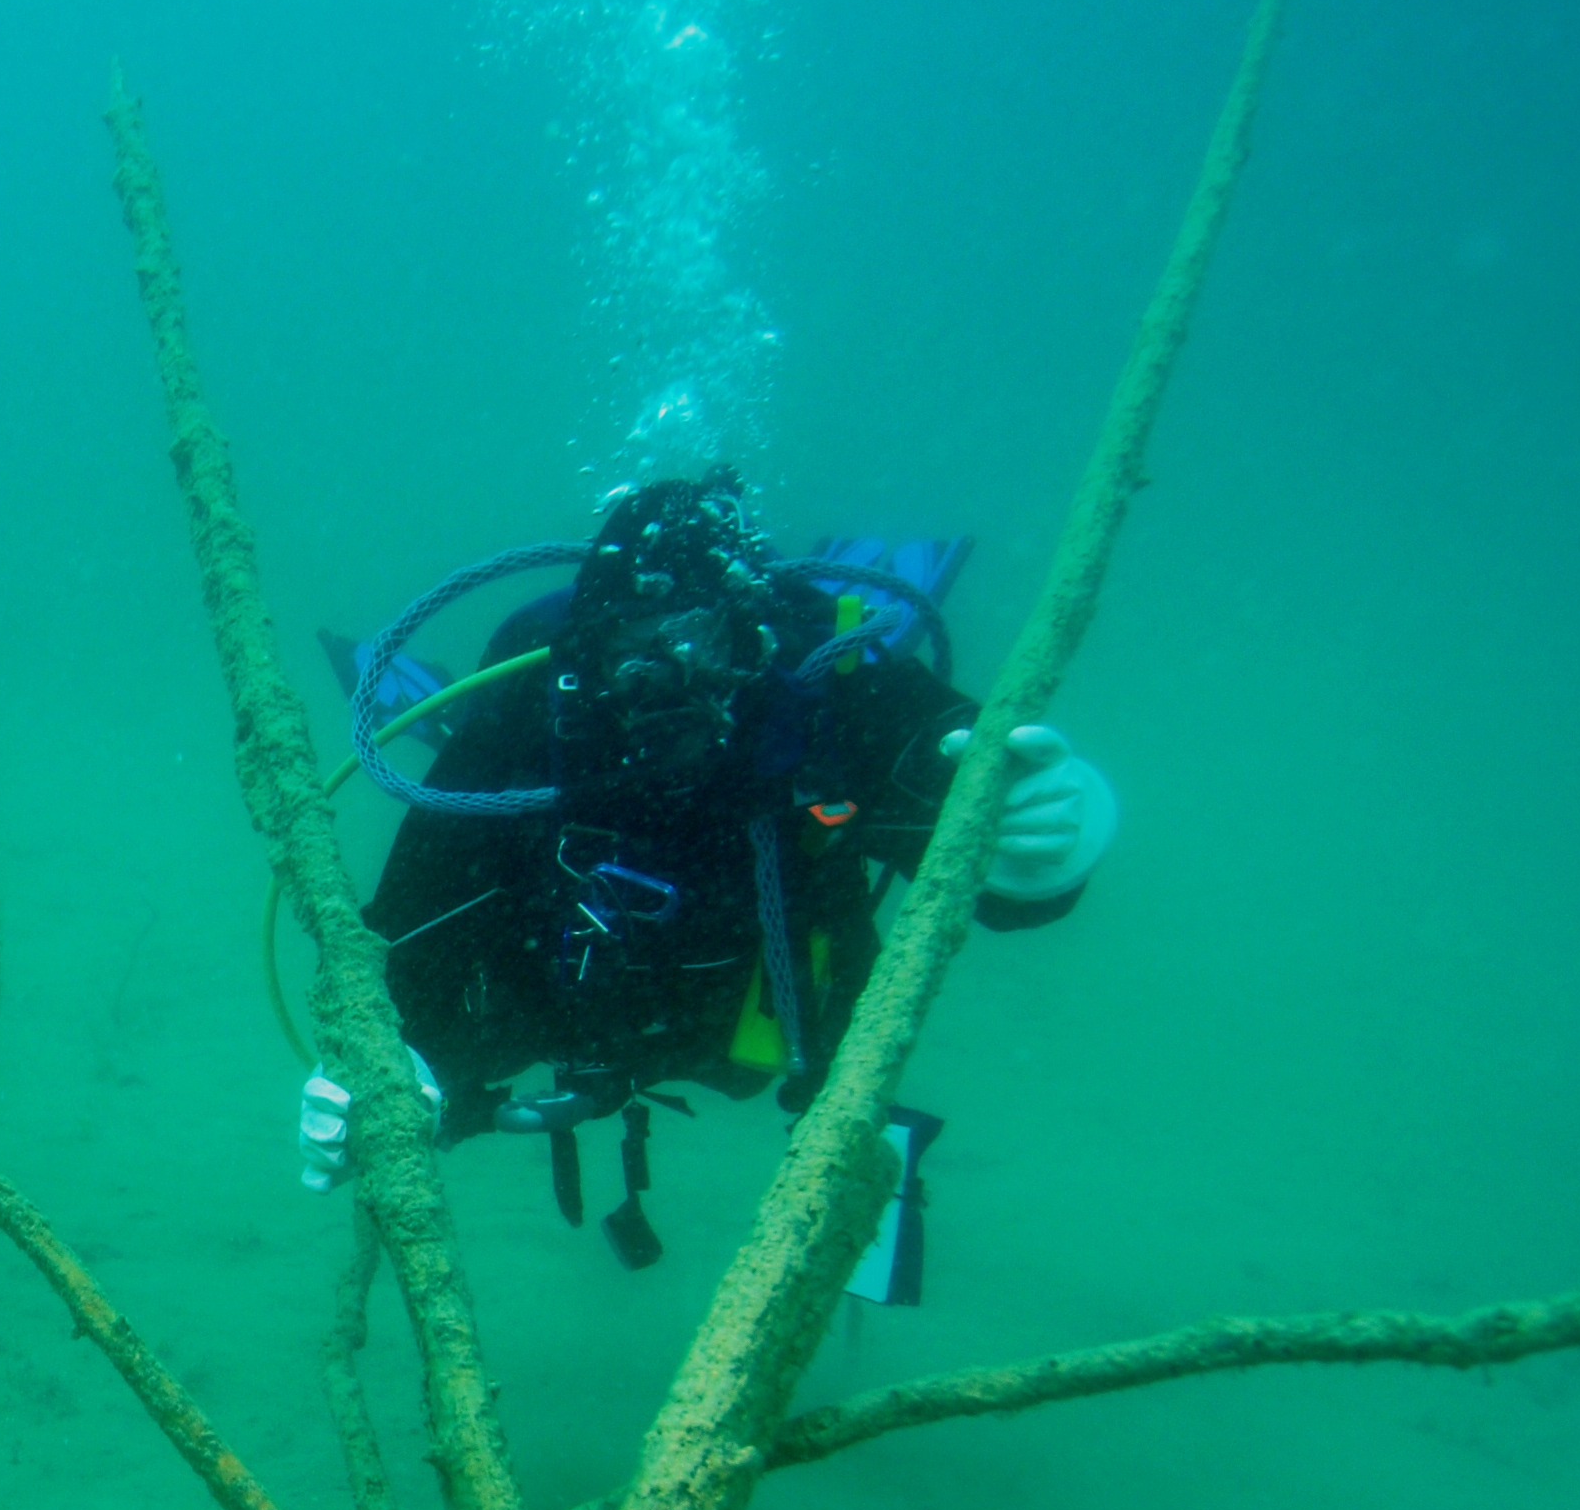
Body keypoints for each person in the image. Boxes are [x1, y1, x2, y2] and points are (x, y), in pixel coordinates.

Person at [301, 470, 1116, 1271]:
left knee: (845, 1076)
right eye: (633, 647)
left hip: (764, 1012)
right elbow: (410, 921)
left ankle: (857, 1161)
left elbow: (961, 793)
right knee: (459, 1003)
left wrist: (1037, 842)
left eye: (698, 640)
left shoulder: (823, 689)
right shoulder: (534, 710)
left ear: (751, 634)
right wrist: (393, 1067)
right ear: (589, 644)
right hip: (572, 1002)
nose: (663, 678)